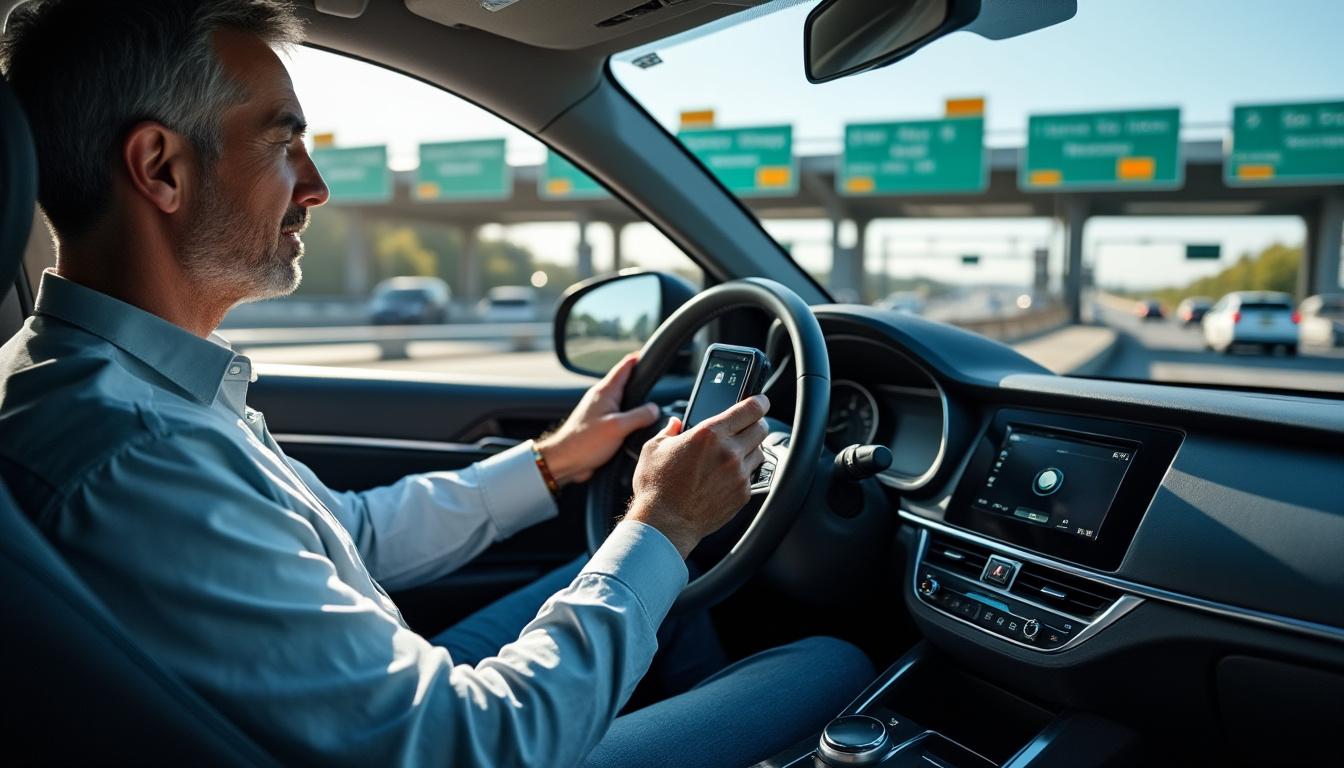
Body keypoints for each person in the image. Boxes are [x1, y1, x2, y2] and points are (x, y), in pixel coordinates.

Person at [0, 1, 873, 765]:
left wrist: (554, 461)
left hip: (404, 704)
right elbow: (471, 746)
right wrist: (664, 520)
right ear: (160, 167)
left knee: (656, 591)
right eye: (283, 142)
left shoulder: (129, 390)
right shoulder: (137, 452)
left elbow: (353, 534)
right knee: (833, 664)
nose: (317, 186)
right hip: (462, 738)